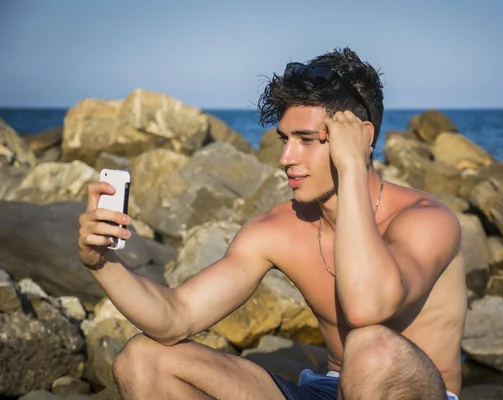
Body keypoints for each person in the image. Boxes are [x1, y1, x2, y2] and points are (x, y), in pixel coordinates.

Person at [78, 47, 467, 400]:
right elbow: (175, 317)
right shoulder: (278, 228)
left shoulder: (425, 221)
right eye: (284, 139)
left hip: (413, 391)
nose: (285, 157)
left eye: (307, 139)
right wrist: (101, 264)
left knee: (371, 351)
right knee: (142, 359)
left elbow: (367, 309)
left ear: (362, 138)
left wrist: (351, 168)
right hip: (327, 391)